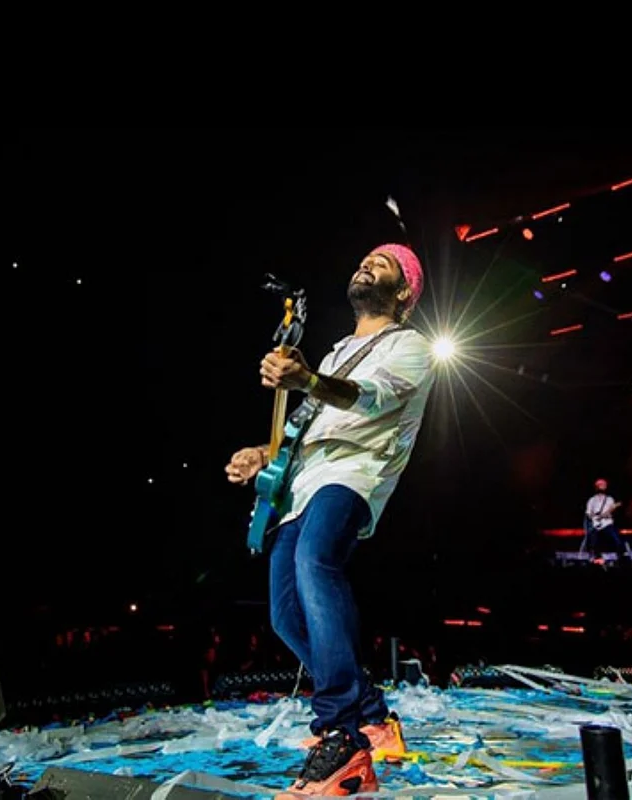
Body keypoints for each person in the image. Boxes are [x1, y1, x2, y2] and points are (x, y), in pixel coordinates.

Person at [225, 243, 434, 797]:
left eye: (383, 264)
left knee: (316, 562)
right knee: (284, 614)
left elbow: (370, 399)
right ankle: (372, 716)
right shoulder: (340, 349)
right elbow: (304, 426)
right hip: (303, 484)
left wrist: (309, 380)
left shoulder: (411, 346)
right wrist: (261, 455)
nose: (367, 264)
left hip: (355, 475)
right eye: (366, 259)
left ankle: (341, 734)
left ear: (404, 292)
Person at [582, 478, 629, 563]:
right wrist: (595, 518)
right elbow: (588, 512)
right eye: (600, 485)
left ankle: (622, 555)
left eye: (603, 485)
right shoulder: (592, 500)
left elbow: (611, 511)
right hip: (595, 524)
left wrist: (611, 510)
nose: (602, 486)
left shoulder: (610, 499)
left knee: (616, 538)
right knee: (593, 539)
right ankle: (596, 557)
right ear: (596, 487)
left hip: (607, 523)